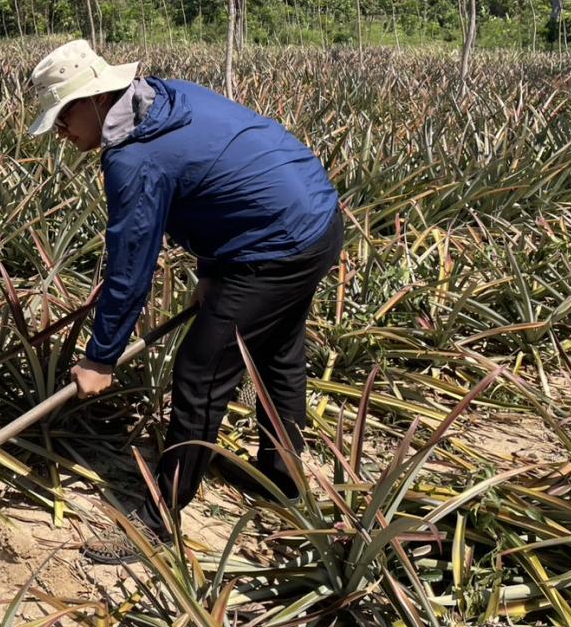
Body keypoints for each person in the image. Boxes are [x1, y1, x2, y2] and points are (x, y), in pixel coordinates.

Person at [27, 39, 342, 564]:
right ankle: (282, 481)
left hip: (276, 247)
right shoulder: (167, 98)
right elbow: (224, 178)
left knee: (201, 370)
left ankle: (158, 516)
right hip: (315, 221)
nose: (61, 133)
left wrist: (100, 357)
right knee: (276, 351)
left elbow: (131, 267)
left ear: (97, 100)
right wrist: (217, 270)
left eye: (63, 117)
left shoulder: (134, 158)